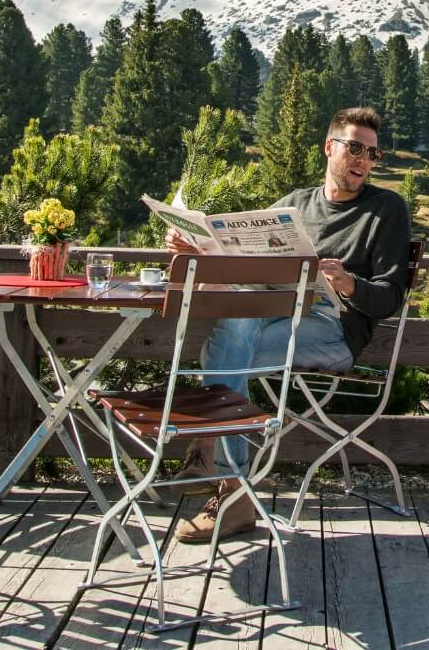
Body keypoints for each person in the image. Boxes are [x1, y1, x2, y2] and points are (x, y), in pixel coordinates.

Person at [164, 106, 412, 543]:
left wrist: (350, 284)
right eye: (355, 148)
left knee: (223, 352)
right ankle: (233, 492)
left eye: (373, 154)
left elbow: (390, 296)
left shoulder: (386, 209)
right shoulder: (293, 205)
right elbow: (243, 267)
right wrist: (198, 250)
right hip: (272, 313)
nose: (363, 160)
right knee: (234, 333)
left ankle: (212, 459)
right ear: (329, 147)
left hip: (335, 327)